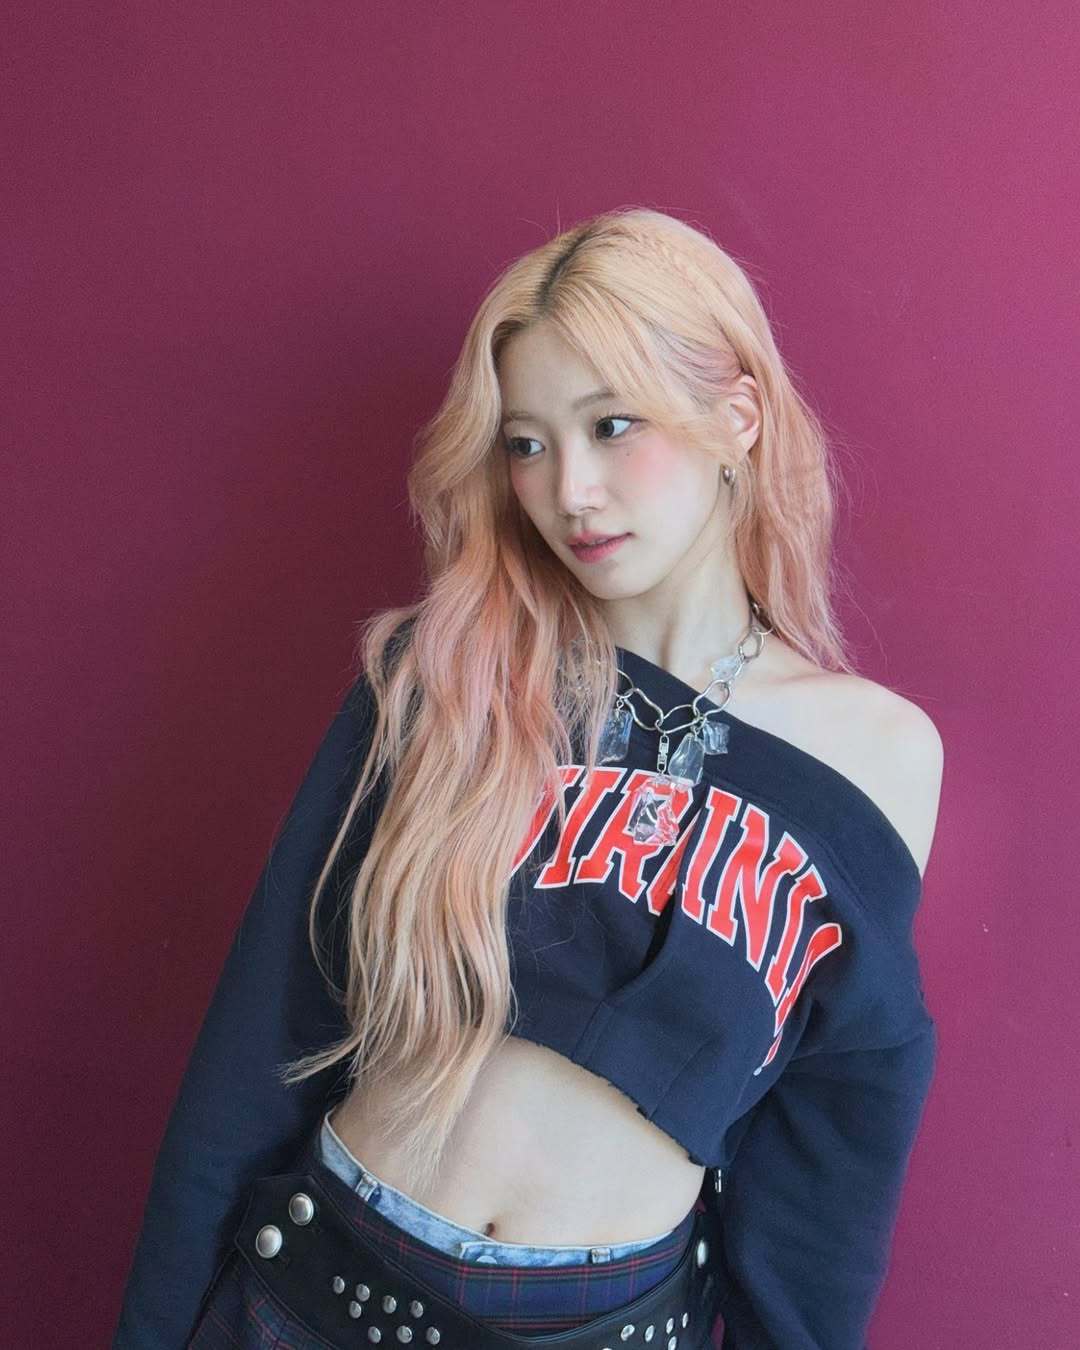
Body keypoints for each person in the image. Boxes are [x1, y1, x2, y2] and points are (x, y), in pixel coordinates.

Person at [112, 206, 943, 1350]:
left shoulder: (876, 756)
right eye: (527, 444)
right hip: (319, 1289)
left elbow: (828, 1178)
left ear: (736, 417)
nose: (570, 493)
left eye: (611, 425)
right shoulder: (448, 675)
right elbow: (261, 1039)